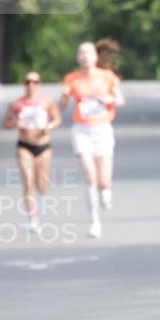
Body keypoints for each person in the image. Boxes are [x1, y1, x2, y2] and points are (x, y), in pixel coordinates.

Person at [60, 41, 125, 238]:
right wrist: (64, 96)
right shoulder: (71, 79)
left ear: (96, 57)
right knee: (90, 177)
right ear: (77, 57)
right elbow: (62, 105)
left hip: (102, 129)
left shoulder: (107, 77)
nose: (85, 56)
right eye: (81, 53)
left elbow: (120, 100)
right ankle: (95, 222)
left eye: (88, 53)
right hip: (81, 130)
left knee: (103, 181)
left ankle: (105, 191)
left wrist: (110, 100)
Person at [3, 72, 61, 233]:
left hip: (43, 146)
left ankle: (40, 189)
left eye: (35, 82)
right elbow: (6, 123)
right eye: (28, 81)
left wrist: (49, 127)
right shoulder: (16, 104)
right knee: (28, 182)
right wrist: (15, 124)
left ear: (39, 84)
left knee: (41, 188)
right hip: (24, 146)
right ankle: (33, 219)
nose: (31, 85)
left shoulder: (47, 101)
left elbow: (57, 119)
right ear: (24, 83)